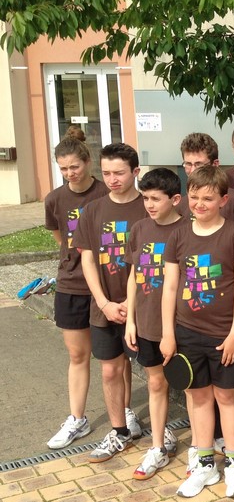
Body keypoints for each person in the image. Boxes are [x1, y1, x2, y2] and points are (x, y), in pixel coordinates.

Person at [161, 166, 234, 498]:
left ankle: (232, 464)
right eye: (194, 197)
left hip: (223, 335)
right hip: (187, 332)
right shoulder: (178, 236)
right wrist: (168, 334)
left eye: (208, 198)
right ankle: (205, 464)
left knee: (226, 397)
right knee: (198, 397)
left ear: (223, 200)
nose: (199, 204)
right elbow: (170, 288)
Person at [72, 143, 148, 462]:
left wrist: (132, 304)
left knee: (156, 374)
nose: (112, 180)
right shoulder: (92, 210)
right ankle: (119, 431)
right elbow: (88, 260)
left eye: (119, 173)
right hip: (104, 308)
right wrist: (103, 303)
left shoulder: (148, 206)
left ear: (136, 172)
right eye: (106, 173)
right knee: (109, 371)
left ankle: (163, 433)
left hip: (145, 307)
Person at [44, 137, 109, 450]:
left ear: (88, 162)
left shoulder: (106, 192)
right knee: (78, 355)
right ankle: (77, 419)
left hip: (106, 286)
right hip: (71, 285)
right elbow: (61, 237)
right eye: (63, 169)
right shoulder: (54, 199)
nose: (70, 173)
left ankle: (123, 415)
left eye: (75, 166)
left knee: (113, 359)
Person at [124, 168, 184, 479]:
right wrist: (130, 321)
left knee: (193, 389)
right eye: (145, 198)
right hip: (147, 321)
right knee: (156, 383)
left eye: (155, 199)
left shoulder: (188, 229)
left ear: (175, 199)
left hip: (182, 323)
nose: (149, 204)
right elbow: (134, 277)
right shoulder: (139, 229)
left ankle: (203, 447)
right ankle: (158, 446)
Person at [178, 132, 234, 250]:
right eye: (188, 164)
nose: (193, 170)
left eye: (199, 164)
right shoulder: (181, 204)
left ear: (215, 164)